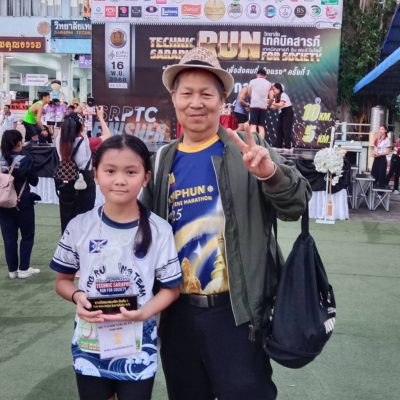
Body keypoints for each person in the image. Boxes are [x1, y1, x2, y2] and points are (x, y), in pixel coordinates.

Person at [141, 47, 311, 400]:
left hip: (238, 315)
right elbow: (142, 231)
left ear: (223, 100)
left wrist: (270, 174)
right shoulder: (162, 160)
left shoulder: (247, 148)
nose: (196, 103)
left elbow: (296, 204)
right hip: (177, 316)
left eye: (206, 94)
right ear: (173, 98)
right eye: (187, 93)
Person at [50, 134, 182, 400]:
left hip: (138, 347)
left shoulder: (159, 229)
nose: (120, 180)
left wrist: (143, 313)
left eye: (131, 172)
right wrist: (77, 296)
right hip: (90, 345)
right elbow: (62, 281)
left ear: (145, 177)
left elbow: (171, 289)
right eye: (110, 171)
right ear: (96, 174)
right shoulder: (79, 226)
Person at [55, 107, 111, 233]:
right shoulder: (85, 141)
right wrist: (100, 117)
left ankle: (67, 242)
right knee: (85, 220)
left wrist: (75, 112)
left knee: (66, 218)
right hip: (84, 182)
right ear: (80, 126)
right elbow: (107, 135)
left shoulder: (58, 140)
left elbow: (66, 126)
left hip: (65, 181)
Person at [0, 130, 40, 279]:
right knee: (27, 235)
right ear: (18, 142)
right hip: (22, 202)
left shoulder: (1, 159)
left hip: (3, 202)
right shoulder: (25, 160)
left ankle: (12, 270)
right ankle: (24, 268)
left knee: (9, 238)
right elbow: (34, 181)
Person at [248, 68, 273, 141]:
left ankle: (253, 142)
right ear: (265, 76)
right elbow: (271, 98)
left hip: (254, 105)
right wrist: (269, 105)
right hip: (263, 106)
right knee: (261, 126)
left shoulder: (252, 81)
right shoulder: (269, 83)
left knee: (253, 125)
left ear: (257, 74)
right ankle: (261, 143)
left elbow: (249, 93)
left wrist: (253, 98)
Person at [270, 83, 294, 149]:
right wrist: (267, 104)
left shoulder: (283, 95)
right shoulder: (277, 97)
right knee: (279, 128)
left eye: (274, 89)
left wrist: (271, 102)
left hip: (288, 112)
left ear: (278, 89)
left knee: (286, 129)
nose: (273, 91)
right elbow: (274, 108)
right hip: (282, 112)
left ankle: (288, 145)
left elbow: (281, 104)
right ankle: (278, 144)